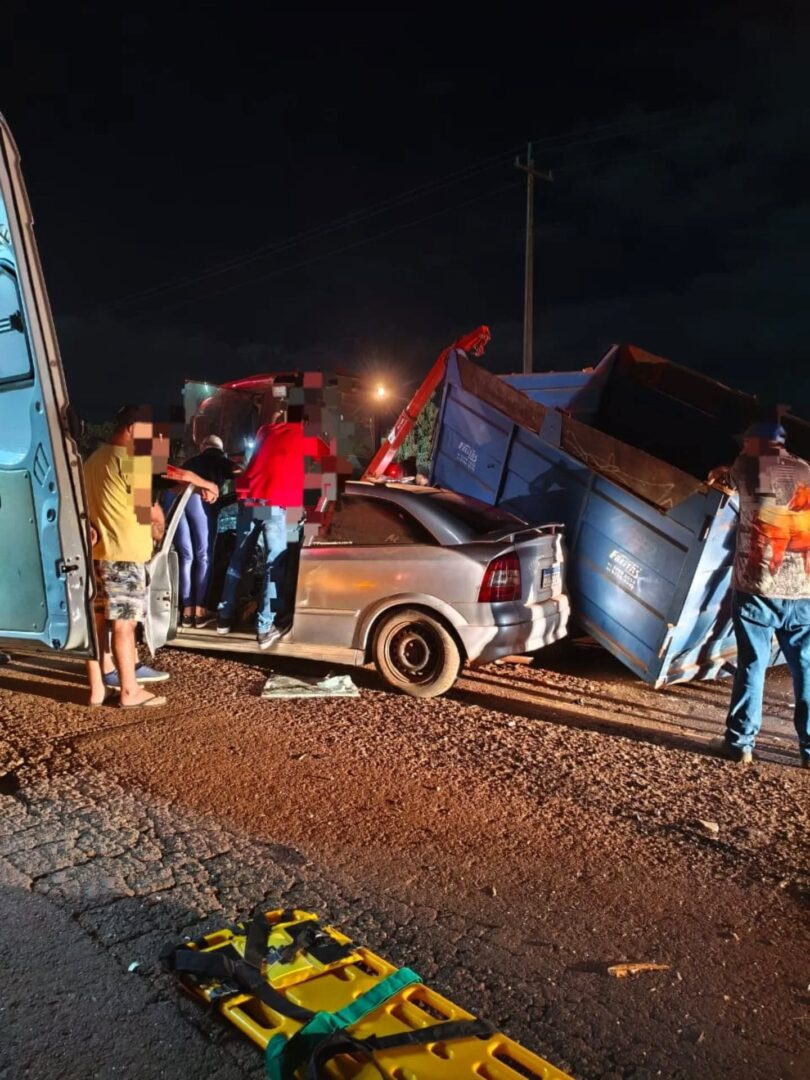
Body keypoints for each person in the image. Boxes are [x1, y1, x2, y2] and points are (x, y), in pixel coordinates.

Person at [708, 416, 810, 767]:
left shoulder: (747, 466)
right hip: (803, 590)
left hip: (758, 587)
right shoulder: (805, 469)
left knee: (753, 663)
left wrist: (722, 471)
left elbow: (725, 482)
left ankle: (740, 744)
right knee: (806, 668)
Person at [216, 407, 329, 648]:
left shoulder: (265, 430)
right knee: (273, 564)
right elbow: (332, 462)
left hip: (249, 502)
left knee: (238, 559)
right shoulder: (306, 434)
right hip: (274, 506)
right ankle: (265, 627)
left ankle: (223, 618)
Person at [83, 405, 169, 707]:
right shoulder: (131, 462)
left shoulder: (93, 461)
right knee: (124, 624)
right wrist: (159, 527)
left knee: (97, 625)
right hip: (125, 556)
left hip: (96, 555)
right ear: (132, 429)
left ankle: (97, 689)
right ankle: (130, 691)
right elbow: (149, 512)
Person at [168, 435, 237, 628]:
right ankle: (200, 612)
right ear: (221, 449)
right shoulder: (222, 461)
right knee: (204, 556)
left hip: (178, 500)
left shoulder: (191, 461)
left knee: (186, 556)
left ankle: (186, 612)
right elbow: (242, 473)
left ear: (202, 447)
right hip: (200, 502)